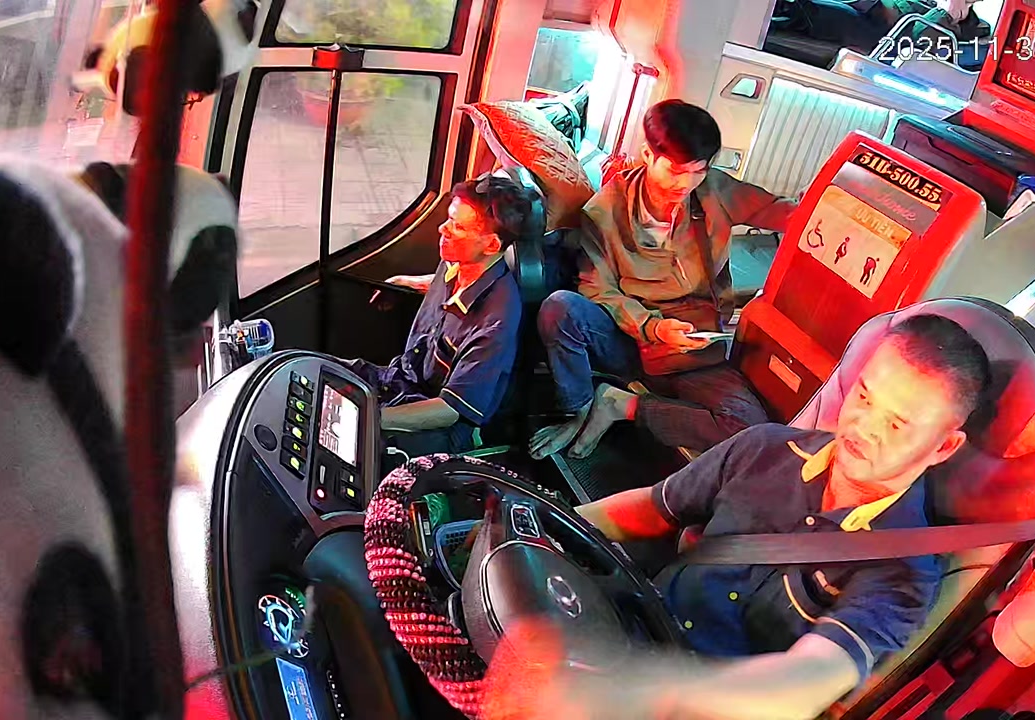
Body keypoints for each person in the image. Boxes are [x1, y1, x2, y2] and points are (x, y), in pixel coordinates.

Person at [488, 314, 991, 720]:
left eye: (897, 424)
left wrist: (643, 691)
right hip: (626, 628)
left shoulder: (904, 569)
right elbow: (650, 509)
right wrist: (536, 524)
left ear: (943, 447)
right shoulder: (762, 448)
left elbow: (805, 684)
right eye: (863, 396)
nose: (863, 426)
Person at [529, 100, 799, 461]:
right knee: (561, 308)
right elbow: (598, 288)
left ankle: (619, 405)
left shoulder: (714, 191)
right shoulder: (605, 211)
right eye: (675, 170)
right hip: (631, 339)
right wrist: (652, 327)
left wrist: (844, 212)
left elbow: (783, 212)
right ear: (648, 155)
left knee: (748, 430)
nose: (685, 184)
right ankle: (579, 412)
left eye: (698, 171)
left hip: (696, 346)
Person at [349, 175, 534, 461]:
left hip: (437, 421)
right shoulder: (457, 261)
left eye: (457, 227)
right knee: (320, 374)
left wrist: (371, 419)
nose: (442, 229)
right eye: (449, 219)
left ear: (491, 245)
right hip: (399, 379)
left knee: (356, 448)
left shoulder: (496, 321)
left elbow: (450, 409)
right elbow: (449, 284)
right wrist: (407, 283)